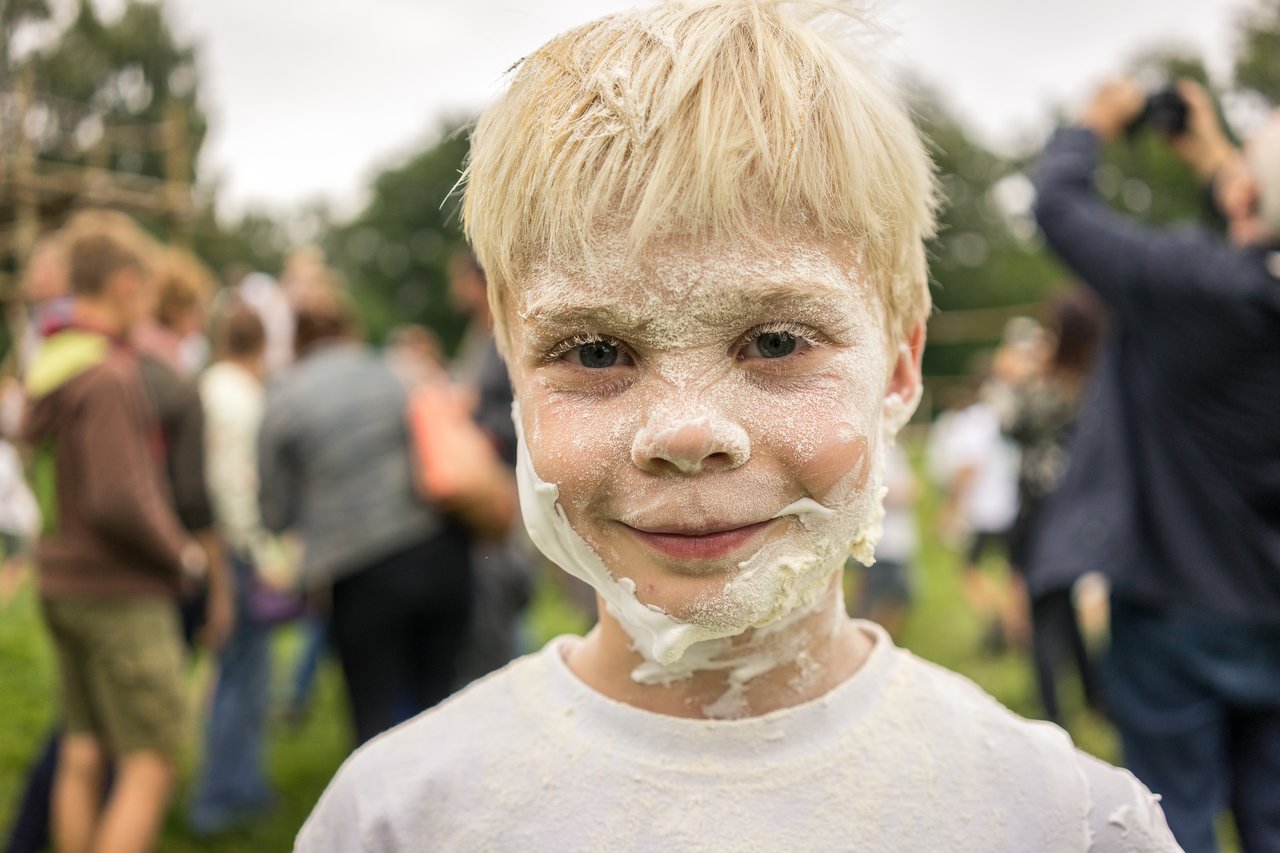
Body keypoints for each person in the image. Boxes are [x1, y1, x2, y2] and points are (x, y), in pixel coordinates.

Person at [298, 4, 1177, 850]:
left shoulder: (1066, 823)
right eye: (596, 352)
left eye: (776, 340)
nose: (685, 433)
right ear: (517, 382)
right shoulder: (392, 821)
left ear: (900, 368)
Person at [1032, 77, 1280, 853]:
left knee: (1175, 826)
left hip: (1177, 603)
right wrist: (1216, 160)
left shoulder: (1195, 288)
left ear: (1243, 200)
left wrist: (1095, 120)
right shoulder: (1227, 287)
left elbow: (1061, 209)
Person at [22, 210, 204, 853]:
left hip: (61, 579)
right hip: (118, 592)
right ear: (126, 284)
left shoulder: (54, 359)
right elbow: (119, 498)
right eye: (148, 295)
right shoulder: (107, 373)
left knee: (83, 750)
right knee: (151, 762)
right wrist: (180, 554)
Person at [258, 287, 473, 746]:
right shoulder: (402, 372)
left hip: (357, 574)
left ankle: (389, 811)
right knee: (441, 701)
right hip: (438, 550)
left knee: (374, 713)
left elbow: (274, 513)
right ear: (352, 329)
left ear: (295, 342)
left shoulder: (283, 402)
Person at [189, 302, 279, 833]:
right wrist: (260, 550)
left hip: (208, 543)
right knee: (241, 672)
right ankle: (220, 797)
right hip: (235, 550)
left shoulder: (206, 386)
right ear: (261, 345)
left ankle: (242, 785)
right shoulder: (243, 399)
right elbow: (236, 483)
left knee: (241, 670)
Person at [1002, 288, 1107, 728]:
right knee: (1062, 607)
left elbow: (1011, 425)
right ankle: (1096, 698)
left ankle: (1053, 714)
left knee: (1045, 609)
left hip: (1041, 509)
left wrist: (1027, 376)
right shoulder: (1097, 382)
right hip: (1079, 510)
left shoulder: (1056, 386)